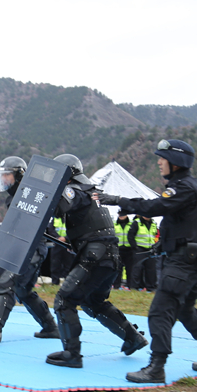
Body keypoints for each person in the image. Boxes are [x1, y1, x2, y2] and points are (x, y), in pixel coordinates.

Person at [98, 139, 197, 383]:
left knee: (160, 311)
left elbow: (154, 206)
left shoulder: (183, 188)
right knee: (186, 311)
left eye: (163, 158)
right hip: (191, 258)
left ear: (176, 162)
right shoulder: (191, 187)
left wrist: (116, 200)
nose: (159, 162)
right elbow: (181, 222)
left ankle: (156, 368)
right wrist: (164, 243)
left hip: (182, 262)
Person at [44, 154, 148, 369]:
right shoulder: (91, 192)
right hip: (109, 257)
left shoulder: (73, 190)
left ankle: (72, 354)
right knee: (94, 302)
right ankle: (133, 337)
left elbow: (61, 205)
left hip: (94, 257)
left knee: (64, 301)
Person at [0, 156, 59, 344]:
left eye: (7, 175)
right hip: (25, 249)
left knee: (7, 283)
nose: (4, 179)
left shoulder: (31, 196)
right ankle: (51, 327)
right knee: (24, 291)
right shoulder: (14, 198)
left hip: (32, 249)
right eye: (2, 176)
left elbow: (28, 227)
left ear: (19, 176)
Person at [128, 215, 158, 291]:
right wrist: (135, 247)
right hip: (139, 249)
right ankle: (134, 287)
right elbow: (130, 236)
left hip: (150, 249)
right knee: (137, 269)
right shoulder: (136, 222)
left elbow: (155, 236)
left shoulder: (154, 223)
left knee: (151, 269)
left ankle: (151, 287)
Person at [49, 216, 74, 284]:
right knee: (55, 263)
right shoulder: (55, 218)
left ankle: (67, 282)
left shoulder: (71, 218)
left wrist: (65, 238)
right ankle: (55, 282)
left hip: (68, 244)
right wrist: (57, 238)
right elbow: (50, 229)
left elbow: (74, 230)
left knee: (69, 264)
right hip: (57, 243)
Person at [113, 210, 133, 289]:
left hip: (129, 249)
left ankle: (130, 285)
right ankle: (116, 285)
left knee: (130, 269)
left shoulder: (132, 224)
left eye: (123, 215)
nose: (121, 216)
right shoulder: (114, 224)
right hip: (118, 249)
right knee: (118, 268)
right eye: (120, 214)